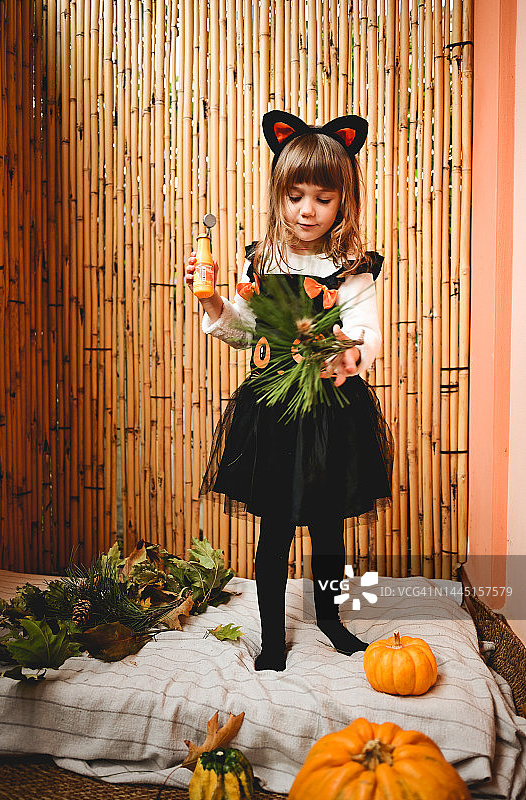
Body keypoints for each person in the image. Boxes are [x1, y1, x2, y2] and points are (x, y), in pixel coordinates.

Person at [185, 110, 393, 672]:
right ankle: (272, 638)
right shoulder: (262, 259)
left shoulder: (352, 267)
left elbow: (368, 333)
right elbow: (243, 332)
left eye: (323, 199)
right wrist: (212, 304)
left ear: (342, 201)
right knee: (275, 525)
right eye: (296, 196)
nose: (308, 210)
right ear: (280, 195)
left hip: (332, 410)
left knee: (329, 525)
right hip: (273, 410)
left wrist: (350, 354)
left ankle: (330, 618)